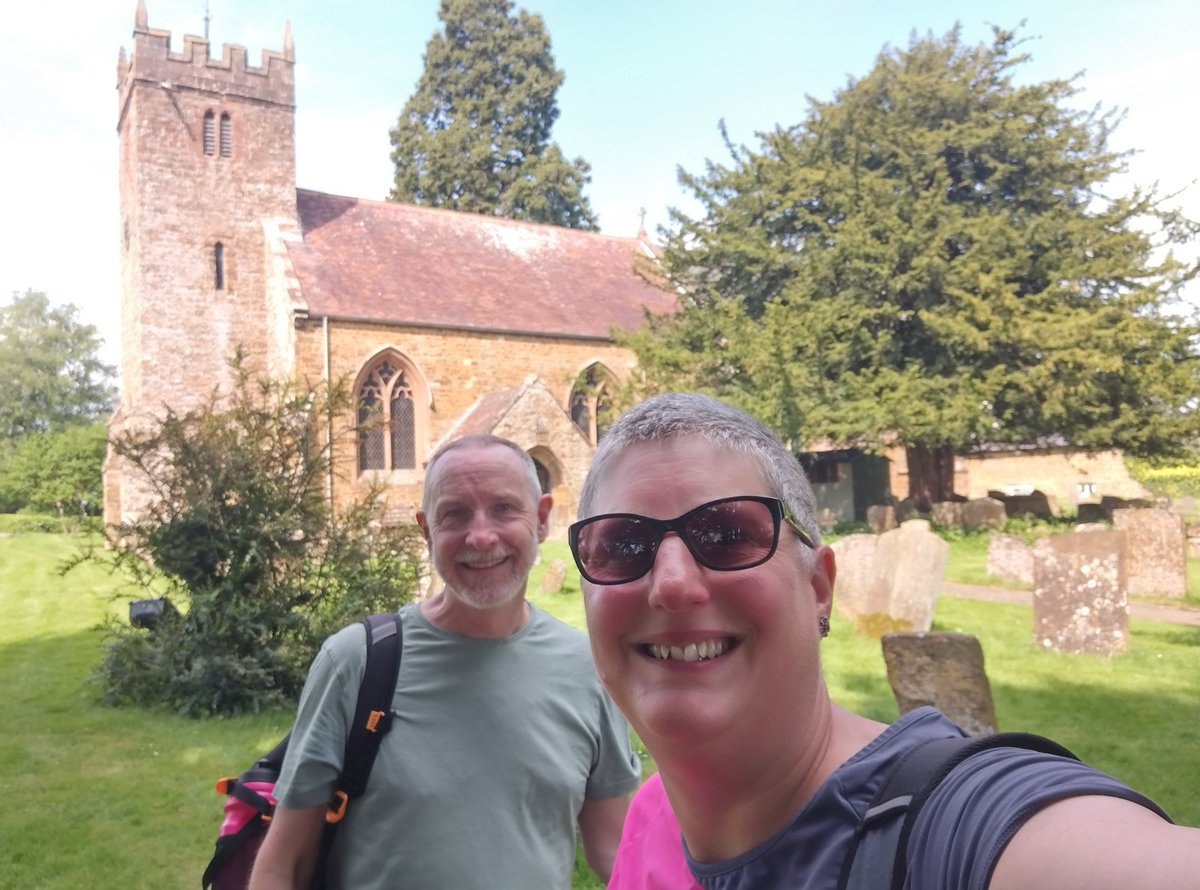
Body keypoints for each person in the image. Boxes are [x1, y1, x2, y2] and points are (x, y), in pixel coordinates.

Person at [569, 392, 1200, 890]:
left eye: (729, 533)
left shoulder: (954, 828)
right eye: (622, 545)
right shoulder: (653, 818)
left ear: (818, 588)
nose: (673, 585)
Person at [250, 433, 640, 889]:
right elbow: (283, 863)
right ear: (425, 529)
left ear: (541, 519)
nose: (480, 536)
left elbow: (617, 850)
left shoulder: (587, 669)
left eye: (504, 509)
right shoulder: (356, 663)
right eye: (454, 513)